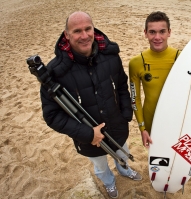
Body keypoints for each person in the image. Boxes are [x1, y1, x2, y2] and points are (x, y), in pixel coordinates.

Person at [40, 11, 141, 199]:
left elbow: (121, 85)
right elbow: (52, 115)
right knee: (100, 166)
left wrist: (126, 114)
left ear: (94, 29)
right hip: (87, 138)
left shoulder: (110, 55)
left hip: (117, 126)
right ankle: (109, 183)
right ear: (67, 35)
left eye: (88, 29)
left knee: (123, 153)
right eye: (77, 31)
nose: (84, 35)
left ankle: (125, 170)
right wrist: (87, 134)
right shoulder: (53, 72)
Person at [129, 11, 191, 148]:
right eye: (152, 32)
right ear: (145, 33)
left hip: (181, 118)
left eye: (162, 32)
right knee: (158, 159)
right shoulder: (136, 63)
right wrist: (142, 128)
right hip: (152, 120)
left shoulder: (183, 58)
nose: (157, 37)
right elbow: (135, 99)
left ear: (169, 32)